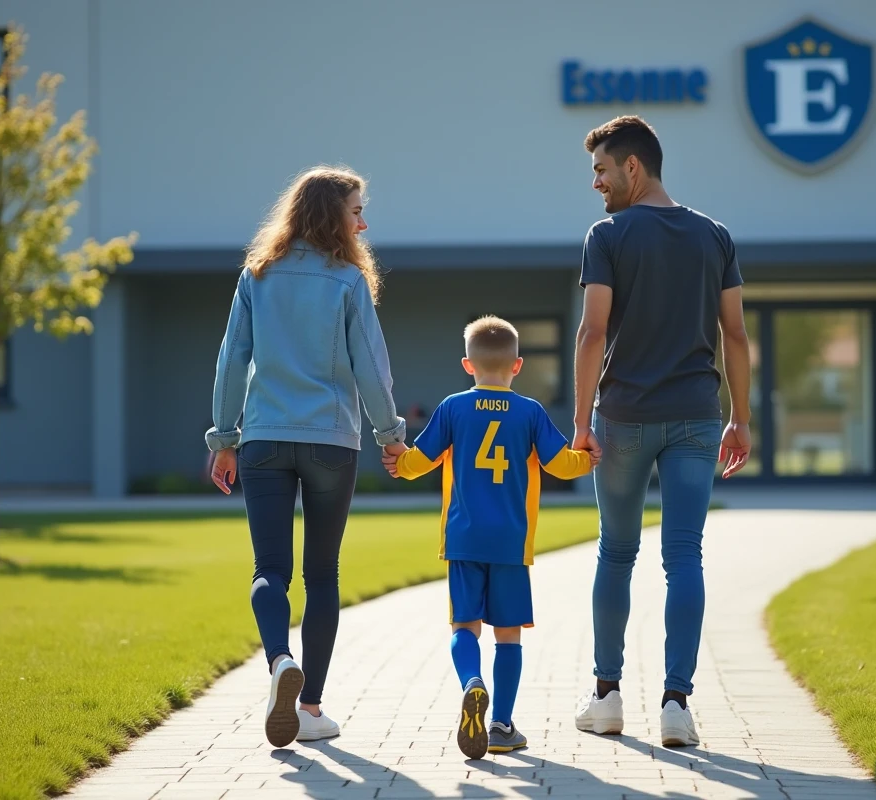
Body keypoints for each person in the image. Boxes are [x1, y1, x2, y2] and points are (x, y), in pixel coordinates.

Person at [205, 166, 406, 747]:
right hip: (330, 442)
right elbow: (372, 365)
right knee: (322, 574)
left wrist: (223, 438)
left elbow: (230, 361)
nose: (363, 222)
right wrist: (391, 434)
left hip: (263, 438)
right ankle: (311, 707)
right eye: (356, 211)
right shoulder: (347, 281)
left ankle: (277, 663)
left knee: (269, 570)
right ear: (330, 214)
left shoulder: (257, 275)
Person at [569, 116, 753, 747]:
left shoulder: (608, 235)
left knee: (616, 552)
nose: (595, 183)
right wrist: (741, 419)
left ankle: (608, 697)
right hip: (699, 415)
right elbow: (735, 334)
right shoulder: (715, 236)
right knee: (684, 557)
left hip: (621, 417)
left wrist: (578, 424)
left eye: (600, 170)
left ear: (632, 168)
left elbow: (593, 332)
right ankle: (677, 705)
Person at [382, 316, 597, 758]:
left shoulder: (453, 408)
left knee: (465, 625)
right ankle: (501, 724)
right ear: (517, 366)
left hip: (463, 538)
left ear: (468, 364)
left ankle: (470, 683)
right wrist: (587, 459)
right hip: (511, 543)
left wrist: (399, 462)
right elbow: (561, 464)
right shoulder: (531, 412)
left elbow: (419, 461)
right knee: (509, 634)